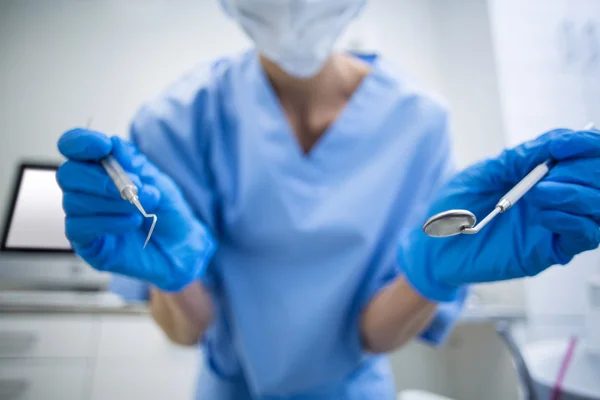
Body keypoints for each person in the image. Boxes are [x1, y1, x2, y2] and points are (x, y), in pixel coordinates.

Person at [55, 0, 600, 398]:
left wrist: (431, 274)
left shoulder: (417, 123)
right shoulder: (175, 120)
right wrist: (174, 277)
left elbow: (375, 333)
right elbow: (187, 328)